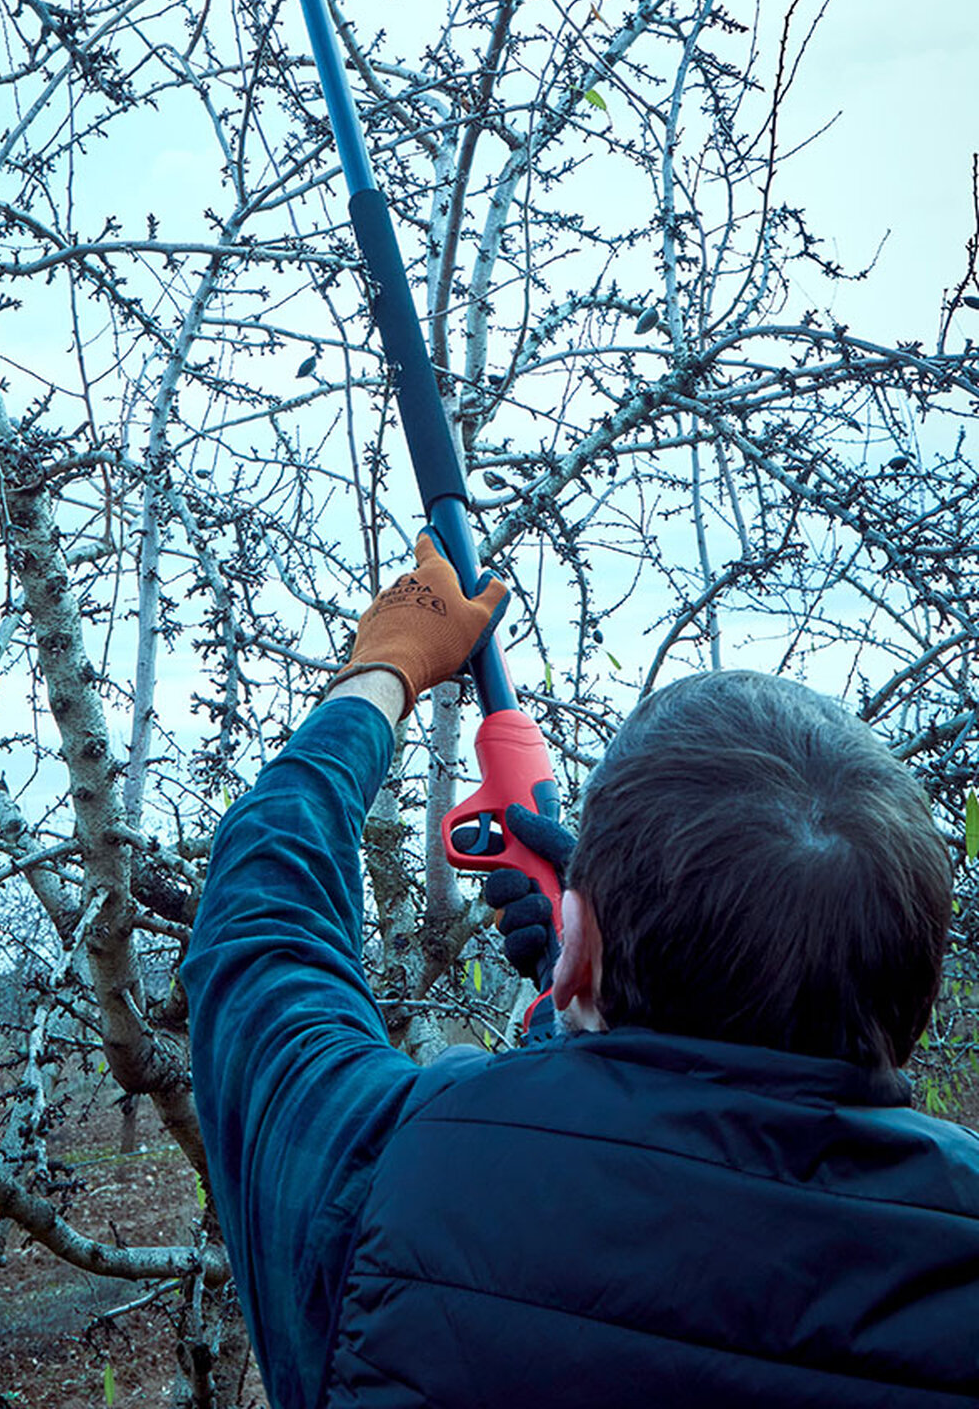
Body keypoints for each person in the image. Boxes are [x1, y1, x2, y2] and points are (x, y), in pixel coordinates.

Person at [183, 537, 979, 1408]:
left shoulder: (392, 1179)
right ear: (912, 980)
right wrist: (576, 1014)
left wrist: (385, 666)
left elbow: (262, 933)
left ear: (578, 944)